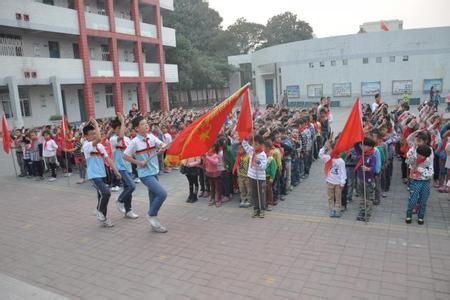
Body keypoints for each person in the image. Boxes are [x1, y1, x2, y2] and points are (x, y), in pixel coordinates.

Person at [124, 116, 169, 233]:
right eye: (143, 124)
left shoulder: (151, 137)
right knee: (162, 194)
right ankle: (151, 214)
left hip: (154, 171)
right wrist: (138, 162)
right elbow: (125, 156)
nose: (146, 125)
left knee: (153, 196)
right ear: (137, 128)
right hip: (145, 174)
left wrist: (163, 147)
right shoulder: (134, 142)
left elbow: (162, 145)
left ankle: (153, 222)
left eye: (146, 123)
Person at [83, 118, 121, 227]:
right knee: (106, 193)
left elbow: (108, 159)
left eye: (95, 133)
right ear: (86, 137)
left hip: (102, 174)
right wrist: (95, 124)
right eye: (91, 134)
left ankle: (102, 218)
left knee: (101, 196)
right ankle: (100, 212)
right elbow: (99, 138)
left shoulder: (100, 146)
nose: (94, 136)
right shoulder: (87, 146)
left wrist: (116, 171)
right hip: (94, 176)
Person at [110, 113, 138, 219]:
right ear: (115, 129)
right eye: (120, 127)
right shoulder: (113, 139)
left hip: (128, 167)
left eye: (123, 126)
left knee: (128, 189)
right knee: (132, 186)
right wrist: (122, 121)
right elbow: (120, 136)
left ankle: (128, 210)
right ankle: (119, 200)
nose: (123, 128)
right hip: (120, 167)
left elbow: (134, 152)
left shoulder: (127, 139)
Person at [405, 144, 434, 225]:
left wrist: (418, 168)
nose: (419, 156)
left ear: (426, 156)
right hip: (415, 181)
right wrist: (412, 152)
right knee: (412, 200)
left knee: (423, 200)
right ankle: (408, 215)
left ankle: (421, 217)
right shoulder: (414, 158)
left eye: (421, 155)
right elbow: (407, 161)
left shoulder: (428, 162)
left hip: (425, 182)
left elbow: (430, 174)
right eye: (418, 154)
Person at [319, 139, 347, 218]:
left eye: (330, 149)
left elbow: (343, 173)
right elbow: (320, 155)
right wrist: (324, 147)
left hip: (338, 183)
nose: (328, 151)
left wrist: (342, 182)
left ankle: (337, 210)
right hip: (330, 182)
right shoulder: (328, 158)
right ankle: (332, 210)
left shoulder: (340, 161)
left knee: (338, 198)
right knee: (330, 197)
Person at [242, 135, 267, 218]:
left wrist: (257, 162)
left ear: (261, 145)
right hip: (251, 176)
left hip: (260, 178)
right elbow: (244, 144)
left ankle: (262, 209)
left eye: (256, 144)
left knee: (261, 194)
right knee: (254, 193)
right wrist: (246, 136)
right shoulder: (251, 151)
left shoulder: (263, 155)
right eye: (253, 144)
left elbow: (263, 167)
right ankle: (256, 209)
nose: (254, 146)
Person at [354, 137, 377, 222]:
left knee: (368, 198)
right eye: (363, 145)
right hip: (360, 179)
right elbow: (356, 145)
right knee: (362, 197)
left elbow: (374, 168)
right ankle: (361, 212)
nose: (363, 147)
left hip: (368, 181)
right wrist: (359, 137)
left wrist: (368, 169)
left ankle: (367, 214)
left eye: (365, 146)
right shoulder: (361, 153)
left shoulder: (372, 156)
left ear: (370, 147)